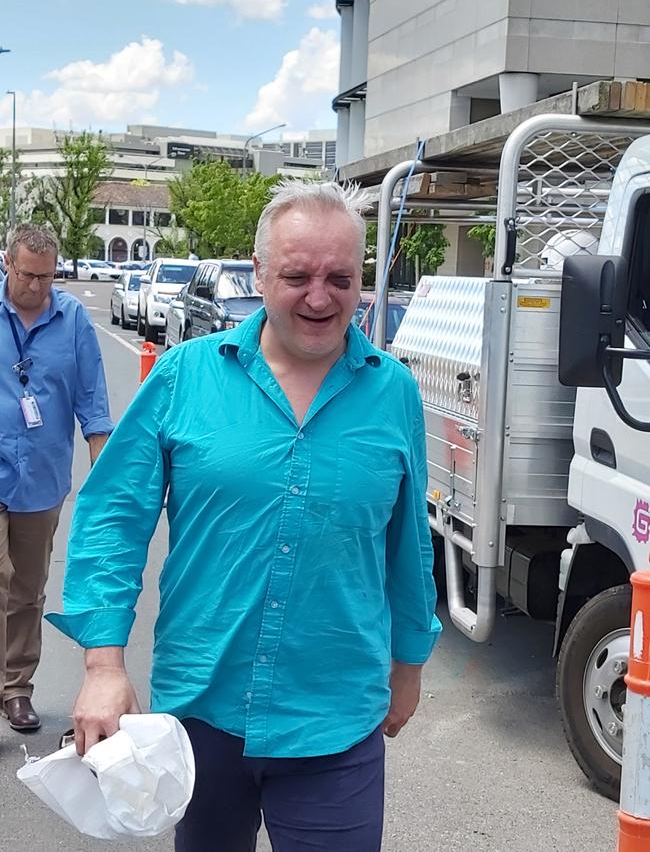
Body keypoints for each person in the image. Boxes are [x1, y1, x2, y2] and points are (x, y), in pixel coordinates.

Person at [47, 181, 442, 851]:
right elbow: (113, 515)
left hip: (334, 720)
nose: (321, 297)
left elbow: (408, 544)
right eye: (297, 276)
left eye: (340, 278)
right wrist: (103, 664)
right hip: (202, 715)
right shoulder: (182, 377)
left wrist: (409, 662)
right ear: (257, 274)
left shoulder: (392, 391)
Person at [0, 224, 113, 732]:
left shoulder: (73, 320)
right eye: (28, 275)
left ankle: (16, 689)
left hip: (40, 480)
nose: (39, 287)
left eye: (48, 277)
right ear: (8, 263)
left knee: (26, 590)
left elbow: (93, 404)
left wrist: (105, 480)